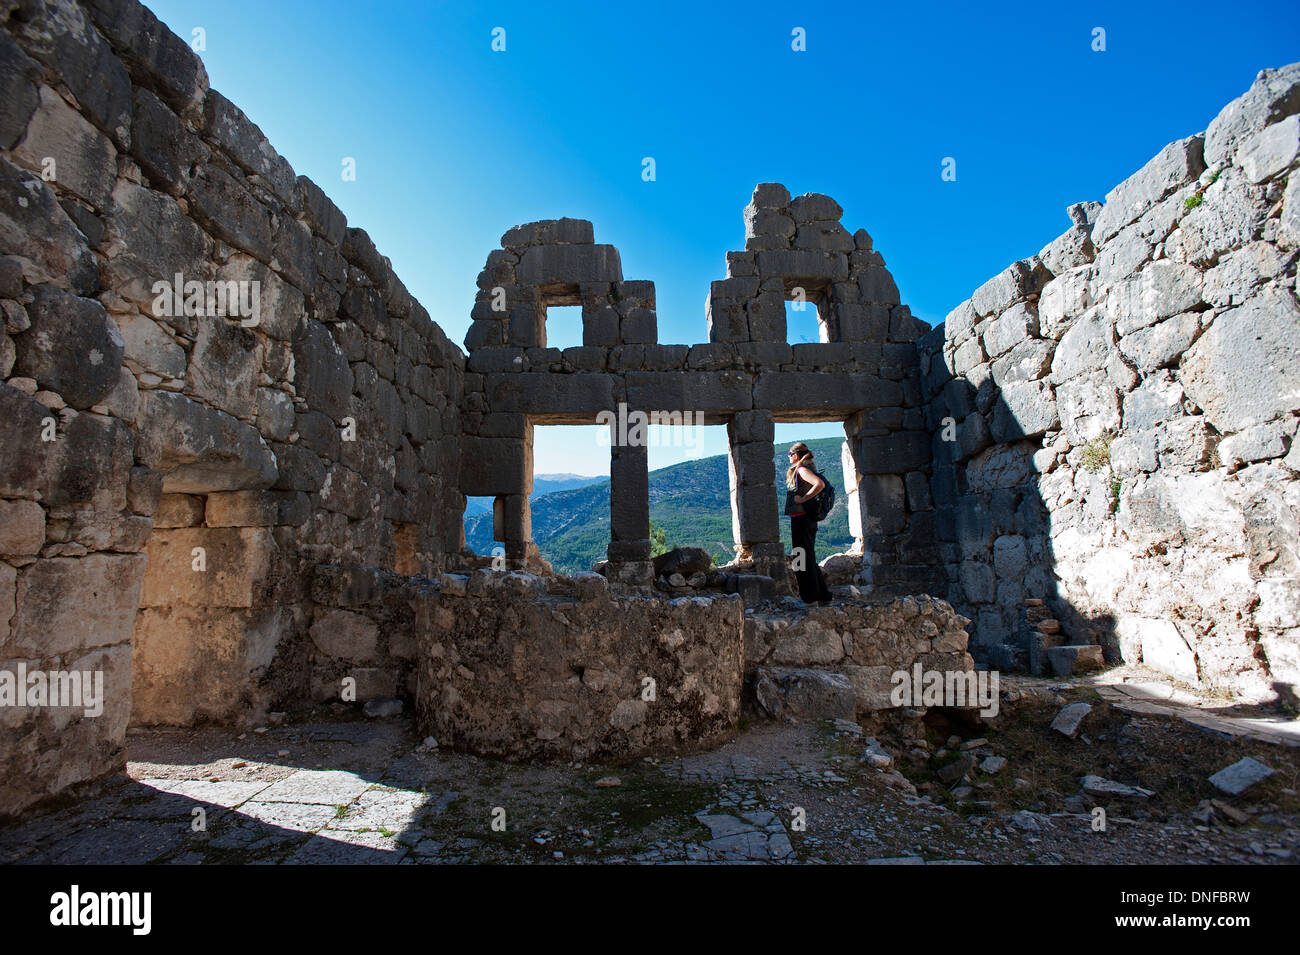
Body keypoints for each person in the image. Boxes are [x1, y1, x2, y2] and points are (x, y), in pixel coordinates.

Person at [784, 442, 832, 605]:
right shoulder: (804, 468)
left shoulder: (801, 470)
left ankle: (809, 597)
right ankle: (822, 595)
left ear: (796, 455)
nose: (788, 456)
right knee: (807, 557)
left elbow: (820, 484)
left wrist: (803, 498)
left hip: (802, 519)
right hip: (804, 519)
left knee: (801, 558)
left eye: (790, 453)